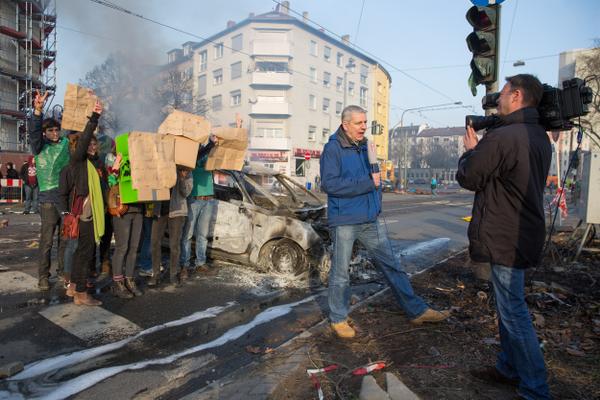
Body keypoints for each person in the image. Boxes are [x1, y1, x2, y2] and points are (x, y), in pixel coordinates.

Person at [457, 74, 551, 400]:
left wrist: (471, 150)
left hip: (506, 235)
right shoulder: (538, 135)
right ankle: (509, 368)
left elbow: (469, 176)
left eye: (505, 92)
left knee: (513, 312)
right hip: (522, 232)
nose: (499, 97)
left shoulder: (504, 137)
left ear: (518, 95)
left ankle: (536, 390)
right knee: (508, 305)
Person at [320, 105, 450, 339]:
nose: (364, 127)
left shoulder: (365, 146)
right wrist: (369, 183)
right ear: (345, 124)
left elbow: (377, 179)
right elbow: (329, 185)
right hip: (346, 221)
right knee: (341, 273)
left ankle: (416, 310)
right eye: (359, 123)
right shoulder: (333, 148)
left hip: (370, 219)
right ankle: (338, 318)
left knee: (392, 266)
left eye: (365, 122)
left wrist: (375, 197)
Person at [58, 99, 104, 306]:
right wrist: (94, 117)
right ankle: (82, 294)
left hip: (88, 211)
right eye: (88, 144)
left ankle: (76, 289)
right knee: (85, 252)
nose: (91, 146)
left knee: (82, 252)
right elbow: (85, 139)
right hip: (85, 212)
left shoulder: (92, 164)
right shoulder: (77, 161)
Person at [30, 90, 69, 291]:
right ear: (46, 132)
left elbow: (79, 132)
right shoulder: (39, 147)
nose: (55, 133)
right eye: (51, 130)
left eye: (57, 130)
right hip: (46, 201)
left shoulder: (65, 145)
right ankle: (43, 277)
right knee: (46, 242)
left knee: (65, 239)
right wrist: (38, 110)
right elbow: (34, 132)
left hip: (64, 200)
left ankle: (63, 271)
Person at [180, 134, 218, 276]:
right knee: (188, 234)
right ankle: (184, 264)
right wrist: (210, 144)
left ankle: (200, 263)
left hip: (208, 199)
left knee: (203, 235)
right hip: (194, 199)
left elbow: (229, 153)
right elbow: (196, 158)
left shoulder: (211, 154)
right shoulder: (192, 154)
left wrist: (238, 128)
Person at [148, 167, 193, 287]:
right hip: (159, 210)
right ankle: (156, 274)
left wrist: (182, 178)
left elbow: (186, 192)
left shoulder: (185, 168)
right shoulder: (160, 164)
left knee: (174, 245)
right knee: (154, 242)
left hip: (177, 212)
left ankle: (173, 274)